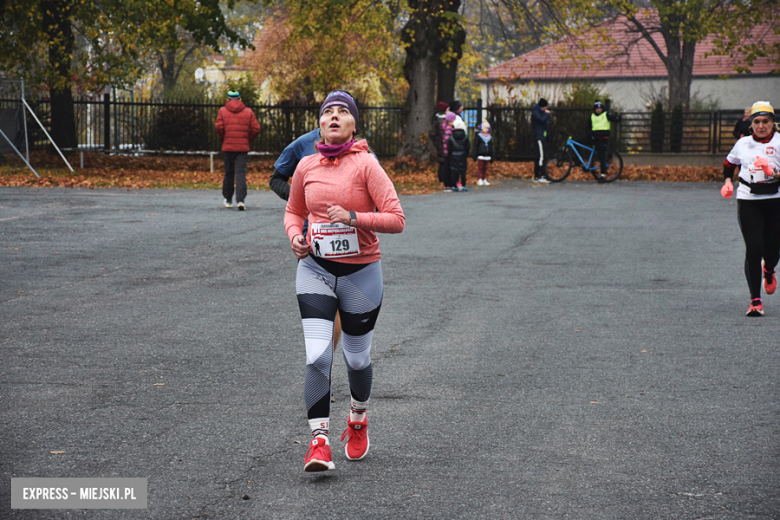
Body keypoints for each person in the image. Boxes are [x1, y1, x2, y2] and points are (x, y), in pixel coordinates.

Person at [284, 90, 405, 472]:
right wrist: (295, 238)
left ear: (354, 124)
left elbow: (396, 219)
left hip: (360, 274)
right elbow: (293, 212)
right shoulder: (306, 166)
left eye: (342, 112)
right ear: (319, 124)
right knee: (317, 355)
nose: (334, 116)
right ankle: (318, 441)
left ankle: (357, 418)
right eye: (327, 112)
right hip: (315, 271)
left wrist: (354, 218)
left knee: (356, 358)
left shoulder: (367, 165)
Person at [720, 101, 780, 317]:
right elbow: (729, 164)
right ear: (751, 124)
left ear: (773, 123)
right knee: (754, 247)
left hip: (776, 199)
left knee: (773, 247)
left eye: (766, 121)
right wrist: (727, 182)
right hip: (749, 199)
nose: (761, 125)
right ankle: (755, 300)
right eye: (757, 121)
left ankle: (769, 269)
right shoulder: (743, 143)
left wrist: (772, 172)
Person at [215, 90, 260, 210]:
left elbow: (219, 127)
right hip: (242, 147)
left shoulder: (222, 111)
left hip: (228, 146)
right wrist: (247, 138)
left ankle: (228, 199)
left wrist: (223, 138)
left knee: (228, 172)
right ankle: (240, 200)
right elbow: (256, 128)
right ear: (239, 98)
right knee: (240, 173)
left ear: (228, 98)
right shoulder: (248, 111)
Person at [590, 100, 621, 182]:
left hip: (602, 138)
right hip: (594, 137)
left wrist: (617, 118)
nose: (598, 110)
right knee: (579, 143)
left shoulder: (605, 115)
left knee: (601, 156)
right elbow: (588, 127)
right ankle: (578, 161)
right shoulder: (592, 116)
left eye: (600, 108)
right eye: (597, 108)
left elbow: (612, 118)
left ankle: (602, 175)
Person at [431, 102, 450, 190]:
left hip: (439, 145)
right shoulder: (442, 121)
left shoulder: (437, 119)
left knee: (442, 164)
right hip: (442, 146)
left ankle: (442, 181)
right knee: (443, 164)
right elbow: (443, 134)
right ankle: (443, 182)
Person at [448, 115, 470, 191]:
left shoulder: (451, 137)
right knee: (462, 170)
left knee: (454, 171)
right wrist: (466, 154)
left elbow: (449, 147)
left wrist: (450, 154)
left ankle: (454, 185)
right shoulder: (465, 137)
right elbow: (467, 147)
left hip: (453, 155)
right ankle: (463, 184)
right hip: (462, 155)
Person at [531, 98, 551, 183]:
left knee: (543, 155)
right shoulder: (536, 112)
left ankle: (541, 174)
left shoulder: (540, 112)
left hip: (542, 136)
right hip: (539, 137)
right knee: (541, 156)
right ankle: (539, 175)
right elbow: (541, 120)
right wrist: (547, 115)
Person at [436, 111, 457, 191]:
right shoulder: (448, 129)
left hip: (444, 151)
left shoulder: (444, 126)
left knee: (444, 167)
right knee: (447, 168)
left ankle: (445, 183)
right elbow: (447, 140)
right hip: (447, 151)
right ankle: (448, 184)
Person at [473, 121, 494, 186]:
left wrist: (492, 155)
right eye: (485, 128)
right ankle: (479, 179)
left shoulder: (489, 137)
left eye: (487, 128)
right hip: (480, 154)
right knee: (480, 167)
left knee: (485, 168)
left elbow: (491, 146)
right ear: (481, 128)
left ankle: (484, 179)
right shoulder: (478, 136)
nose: (486, 130)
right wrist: (475, 154)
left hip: (487, 154)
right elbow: (476, 145)